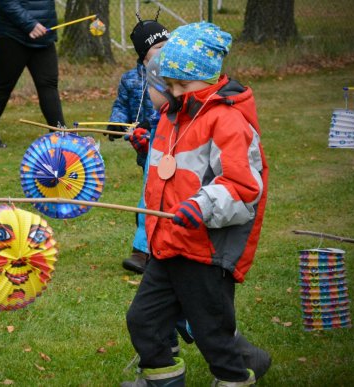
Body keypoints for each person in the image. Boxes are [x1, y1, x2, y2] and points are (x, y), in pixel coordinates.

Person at [123, 22, 270, 386]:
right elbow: (171, 173)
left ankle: (237, 378)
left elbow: (243, 186)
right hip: (167, 246)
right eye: (168, 85)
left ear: (206, 76)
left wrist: (202, 205)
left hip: (202, 252)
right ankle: (163, 379)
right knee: (143, 319)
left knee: (212, 333)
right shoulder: (175, 116)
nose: (172, 92)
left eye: (180, 84)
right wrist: (148, 151)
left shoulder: (228, 121)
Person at [106, 11, 170, 274]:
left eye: (168, 45)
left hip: (166, 144)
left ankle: (143, 251)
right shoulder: (131, 79)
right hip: (143, 146)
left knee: (156, 195)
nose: (166, 51)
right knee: (150, 194)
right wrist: (116, 123)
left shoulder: (175, 74)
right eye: (158, 47)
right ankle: (148, 246)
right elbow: (121, 105)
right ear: (144, 55)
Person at [0, 0, 65, 148]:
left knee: (48, 84)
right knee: (4, 84)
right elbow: (5, 2)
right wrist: (29, 24)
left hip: (43, 35)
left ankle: (60, 132)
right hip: (11, 34)